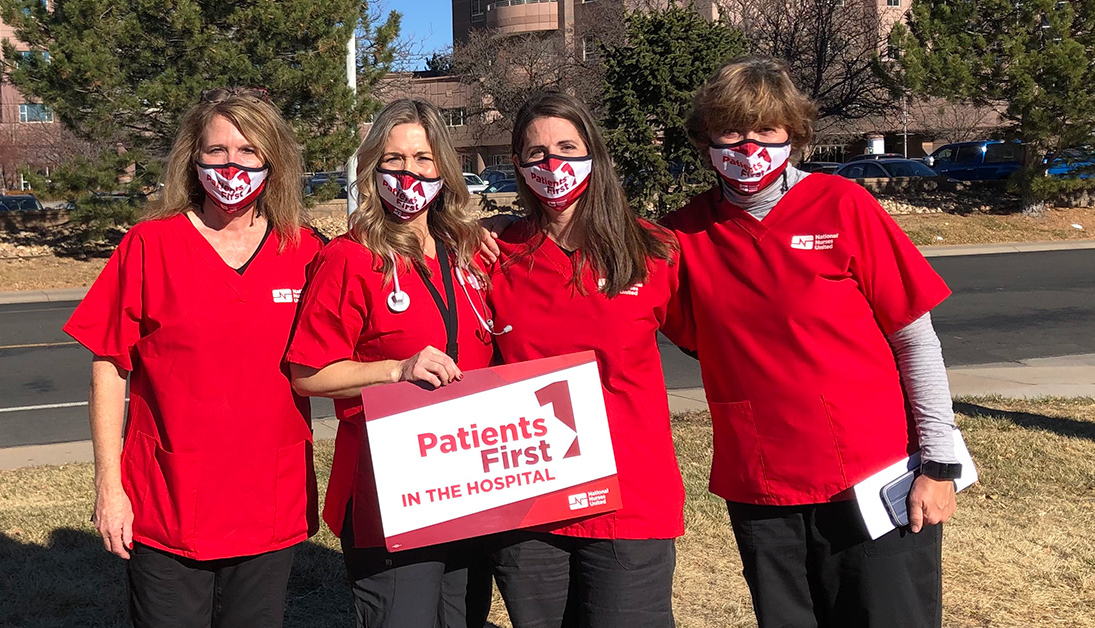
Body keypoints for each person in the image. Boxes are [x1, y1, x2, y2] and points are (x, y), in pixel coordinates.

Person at [661, 57, 962, 628]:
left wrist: (941, 463)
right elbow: (693, 338)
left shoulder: (843, 205)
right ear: (705, 139)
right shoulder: (682, 234)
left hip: (877, 476)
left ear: (793, 136)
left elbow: (915, 338)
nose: (748, 147)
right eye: (730, 131)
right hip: (763, 482)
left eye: (766, 131)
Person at [63, 87, 322, 628]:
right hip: (167, 499)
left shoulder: (305, 250)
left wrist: (472, 235)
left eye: (249, 151)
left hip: (267, 499)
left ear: (274, 160)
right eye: (217, 151)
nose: (232, 165)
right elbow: (108, 369)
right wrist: (109, 488)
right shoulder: (148, 245)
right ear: (193, 158)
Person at [286, 99, 496, 628]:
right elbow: (308, 373)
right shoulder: (350, 258)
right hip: (391, 489)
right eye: (394, 160)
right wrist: (397, 369)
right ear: (372, 169)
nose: (410, 174)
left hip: (471, 483)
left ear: (445, 168)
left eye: (424, 160)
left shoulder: (466, 251)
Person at [483, 91, 685, 627]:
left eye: (567, 148)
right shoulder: (495, 255)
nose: (553, 166)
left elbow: (726, 341)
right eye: (535, 154)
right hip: (530, 502)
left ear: (594, 152)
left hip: (630, 497)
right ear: (519, 166)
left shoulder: (653, 250)